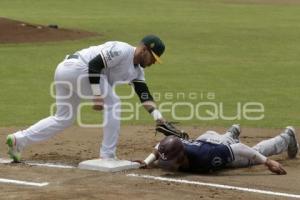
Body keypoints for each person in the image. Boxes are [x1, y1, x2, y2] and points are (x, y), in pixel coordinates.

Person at [6, 35, 167, 162]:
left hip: (65, 72)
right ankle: (107, 155)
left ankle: (18, 140)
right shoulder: (122, 50)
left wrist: (158, 117)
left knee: (64, 117)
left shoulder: (138, 71)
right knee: (114, 103)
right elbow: (95, 65)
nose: (153, 62)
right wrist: (97, 95)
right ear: (144, 50)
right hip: (77, 69)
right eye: (153, 58)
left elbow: (144, 95)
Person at [138, 125, 299, 175]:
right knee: (225, 143)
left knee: (254, 153)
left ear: (181, 157)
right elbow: (160, 146)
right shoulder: (173, 147)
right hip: (205, 138)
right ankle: (231, 132)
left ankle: (286, 137)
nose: (166, 164)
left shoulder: (206, 156)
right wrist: (147, 161)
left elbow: (240, 148)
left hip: (215, 144)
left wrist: (268, 162)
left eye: (171, 161)